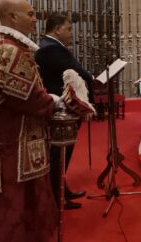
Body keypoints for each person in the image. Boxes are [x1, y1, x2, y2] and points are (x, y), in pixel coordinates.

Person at [0, 0, 58, 242]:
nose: (34, 19)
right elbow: (24, 97)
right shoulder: (8, 49)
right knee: (10, 202)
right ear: (12, 17)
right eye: (29, 14)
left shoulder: (0, 45)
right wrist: (53, 101)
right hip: (10, 140)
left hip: (5, 133)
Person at [35, 12, 93, 210]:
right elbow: (75, 71)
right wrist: (93, 80)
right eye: (68, 29)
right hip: (62, 108)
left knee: (63, 153)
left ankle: (62, 189)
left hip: (63, 107)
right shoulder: (52, 49)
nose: (70, 33)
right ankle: (57, 196)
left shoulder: (49, 46)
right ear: (57, 29)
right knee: (60, 153)